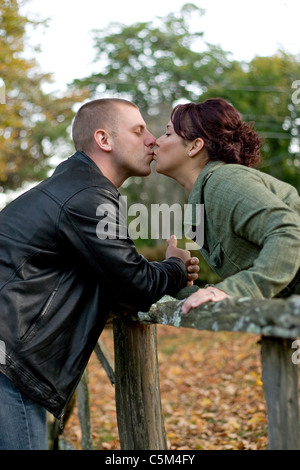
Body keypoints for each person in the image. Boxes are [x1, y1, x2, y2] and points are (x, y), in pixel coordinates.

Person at [0, 98, 199, 450]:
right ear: (104, 140)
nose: (152, 139)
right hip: (8, 368)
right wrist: (176, 268)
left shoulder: (74, 187)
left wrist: (160, 270)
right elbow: (136, 283)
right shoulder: (88, 197)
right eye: (139, 131)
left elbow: (115, 272)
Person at [154, 97, 300, 313]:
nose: (157, 141)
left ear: (195, 146)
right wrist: (173, 276)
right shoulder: (203, 202)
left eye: (167, 133)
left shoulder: (223, 181)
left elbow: (288, 231)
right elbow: (227, 290)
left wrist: (235, 289)